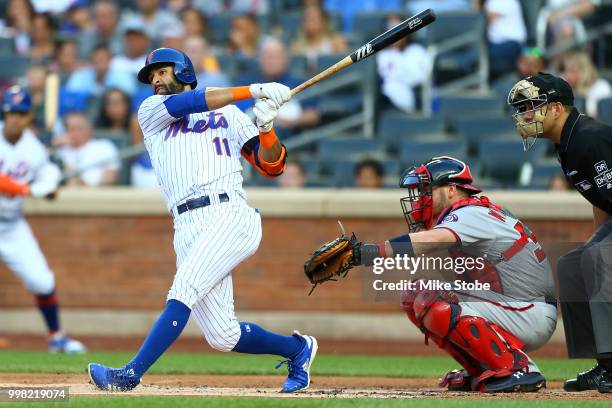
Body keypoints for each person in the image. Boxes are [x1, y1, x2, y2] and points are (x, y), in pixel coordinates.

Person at [87, 47, 318, 393]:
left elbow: (272, 166)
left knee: (183, 290)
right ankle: (298, 350)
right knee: (223, 335)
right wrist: (253, 90)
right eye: (152, 77)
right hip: (185, 225)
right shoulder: (151, 110)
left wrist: (267, 126)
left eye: (163, 72)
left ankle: (129, 375)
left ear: (182, 70)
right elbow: (190, 104)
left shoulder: (229, 113)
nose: (156, 81)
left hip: (229, 215)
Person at [316, 156, 556, 392]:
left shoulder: (470, 212)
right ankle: (484, 368)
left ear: (452, 189)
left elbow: (432, 240)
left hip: (528, 311)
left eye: (427, 190)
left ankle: (518, 368)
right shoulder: (476, 212)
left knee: (432, 298)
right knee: (415, 295)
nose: (421, 198)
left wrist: (367, 253)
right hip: (518, 307)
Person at [507, 72, 612, 393]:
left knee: (597, 259)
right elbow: (601, 201)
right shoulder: (567, 143)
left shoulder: (589, 138)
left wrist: (601, 252)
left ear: (556, 109)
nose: (524, 115)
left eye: (531, 106)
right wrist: (597, 242)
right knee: (572, 264)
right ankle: (605, 364)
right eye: (521, 108)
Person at [0, 86, 86, 354]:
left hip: (12, 225)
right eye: (11, 112)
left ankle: (56, 337)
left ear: (28, 117)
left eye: (21, 113)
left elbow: (46, 182)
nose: (15, 118)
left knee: (42, 281)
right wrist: (26, 190)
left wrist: (48, 188)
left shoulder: (35, 149)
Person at [237, 37, 321, 138]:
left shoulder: (299, 83)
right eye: (267, 57)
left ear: (285, 59)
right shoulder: (248, 83)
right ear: (260, 60)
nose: (271, 61)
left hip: (290, 139)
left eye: (275, 57)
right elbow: (238, 113)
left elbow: (313, 115)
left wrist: (293, 121)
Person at [376, 14, 432, 114]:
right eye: (390, 29)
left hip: (411, 97)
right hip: (382, 101)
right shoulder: (379, 55)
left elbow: (422, 78)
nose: (394, 35)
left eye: (398, 30)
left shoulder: (417, 51)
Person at [55, 112, 120, 187]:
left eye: (78, 128)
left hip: (95, 194)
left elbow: (111, 178)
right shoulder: (60, 150)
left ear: (89, 129)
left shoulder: (104, 147)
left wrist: (86, 186)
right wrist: (53, 146)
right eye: (69, 128)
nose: (73, 132)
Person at [291, 4, 348, 71]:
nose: (309, 22)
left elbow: (346, 68)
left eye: (312, 19)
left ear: (323, 21)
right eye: (305, 19)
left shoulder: (336, 42)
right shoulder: (296, 46)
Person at [561, 51, 612, 118]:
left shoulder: (601, 87)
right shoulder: (569, 87)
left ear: (584, 71)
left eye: (572, 71)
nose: (567, 75)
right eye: (566, 70)